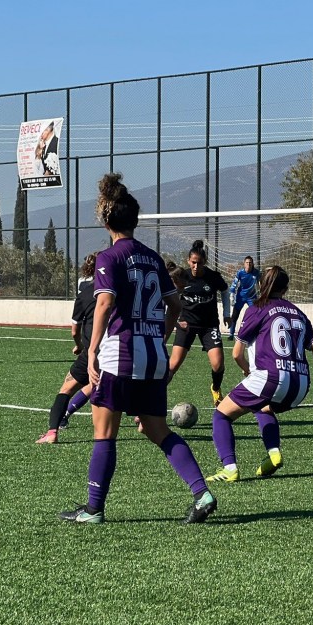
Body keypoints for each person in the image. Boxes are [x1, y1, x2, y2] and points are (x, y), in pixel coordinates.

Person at [59, 173, 216, 525]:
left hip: (121, 355)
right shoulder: (153, 258)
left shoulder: (108, 257)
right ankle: (201, 493)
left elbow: (104, 304)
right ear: (135, 220)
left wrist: (92, 350)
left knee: (104, 433)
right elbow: (175, 307)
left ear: (106, 221)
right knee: (159, 431)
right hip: (153, 357)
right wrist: (159, 336)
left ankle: (94, 509)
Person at [207, 265, 313, 483]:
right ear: (286, 289)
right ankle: (274, 454)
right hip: (301, 385)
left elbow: (236, 354)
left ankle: (229, 469)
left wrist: (248, 371)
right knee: (262, 406)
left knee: (221, 415)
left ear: (260, 284)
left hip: (270, 378)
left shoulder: (257, 308)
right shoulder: (298, 312)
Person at [37, 254, 99, 444]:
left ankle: (52, 432)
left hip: (92, 352)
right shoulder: (121, 291)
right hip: (118, 351)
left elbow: (74, 330)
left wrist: (79, 345)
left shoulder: (85, 294)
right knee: (98, 386)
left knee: (67, 389)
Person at [170, 239, 231, 407]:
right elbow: (170, 297)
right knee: (172, 365)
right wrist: (175, 320)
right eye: (193, 262)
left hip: (209, 325)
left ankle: (216, 389)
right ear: (188, 261)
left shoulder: (213, 277)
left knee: (218, 364)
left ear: (205, 262)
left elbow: (225, 291)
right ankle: (156, 395)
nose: (196, 266)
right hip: (186, 324)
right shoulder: (182, 277)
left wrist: (227, 314)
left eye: (199, 263)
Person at [227, 255, 260, 340]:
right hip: (240, 297)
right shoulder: (240, 273)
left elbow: (261, 283)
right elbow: (234, 283)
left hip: (252, 297)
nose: (248, 264)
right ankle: (231, 334)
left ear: (252, 264)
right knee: (235, 315)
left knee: (256, 315)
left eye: (250, 262)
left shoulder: (256, 273)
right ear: (244, 264)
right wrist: (232, 294)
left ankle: (255, 333)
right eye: (247, 262)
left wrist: (262, 293)